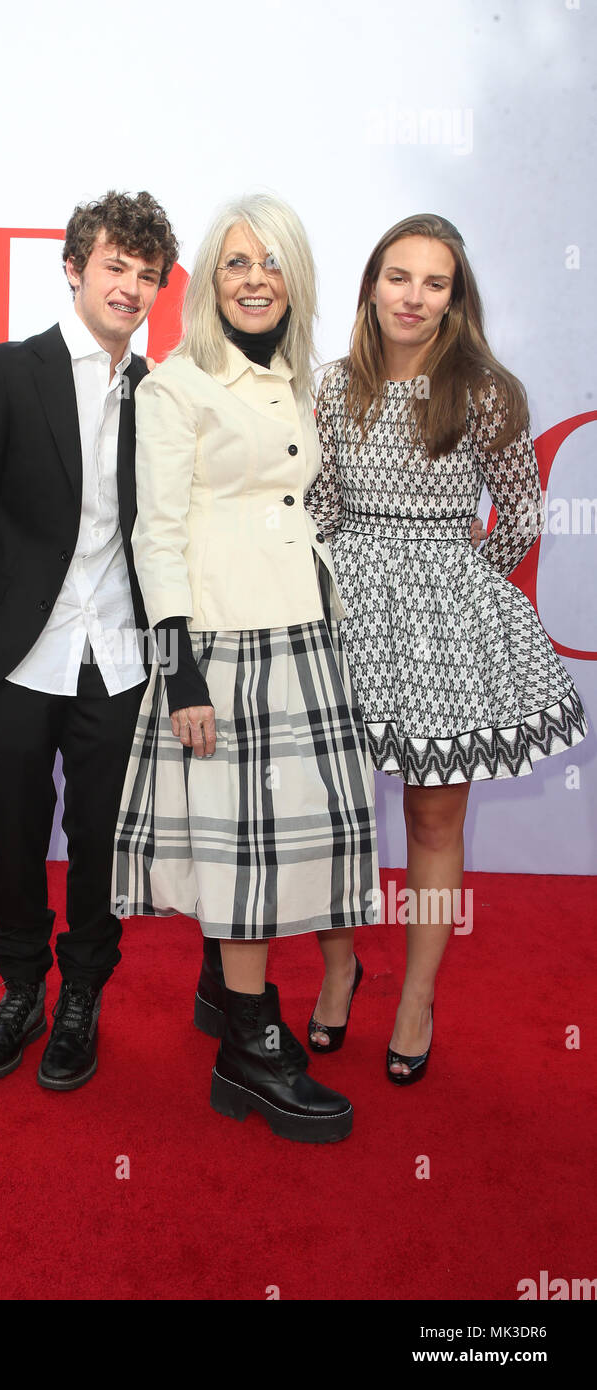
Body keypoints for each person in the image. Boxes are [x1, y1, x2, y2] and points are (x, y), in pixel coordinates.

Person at [112, 195, 378, 1143]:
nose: (253, 277)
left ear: (294, 276)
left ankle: (226, 1000)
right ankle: (251, 1049)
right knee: (245, 853)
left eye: (270, 261)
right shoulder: (174, 388)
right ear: (209, 281)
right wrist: (178, 675)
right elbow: (157, 536)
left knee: (280, 842)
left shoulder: (304, 381)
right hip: (220, 647)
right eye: (233, 262)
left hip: (303, 631)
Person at [305, 212, 588, 1083]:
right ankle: (337, 967)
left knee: (433, 816)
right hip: (340, 611)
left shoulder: (487, 392)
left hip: (441, 624)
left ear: (455, 297)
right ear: (371, 284)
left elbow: (520, 513)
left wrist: (460, 589)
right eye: (399, 277)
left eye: (435, 282)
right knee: (334, 816)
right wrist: (315, 580)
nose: (414, 297)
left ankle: (418, 995)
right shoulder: (326, 386)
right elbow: (313, 505)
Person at [0, 191, 179, 1091]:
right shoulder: (7, 372)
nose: (129, 286)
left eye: (146, 273)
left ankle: (81, 995)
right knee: (12, 830)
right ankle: (19, 991)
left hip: (119, 655)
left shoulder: (162, 393)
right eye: (114, 266)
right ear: (75, 267)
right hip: (18, 650)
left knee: (100, 838)